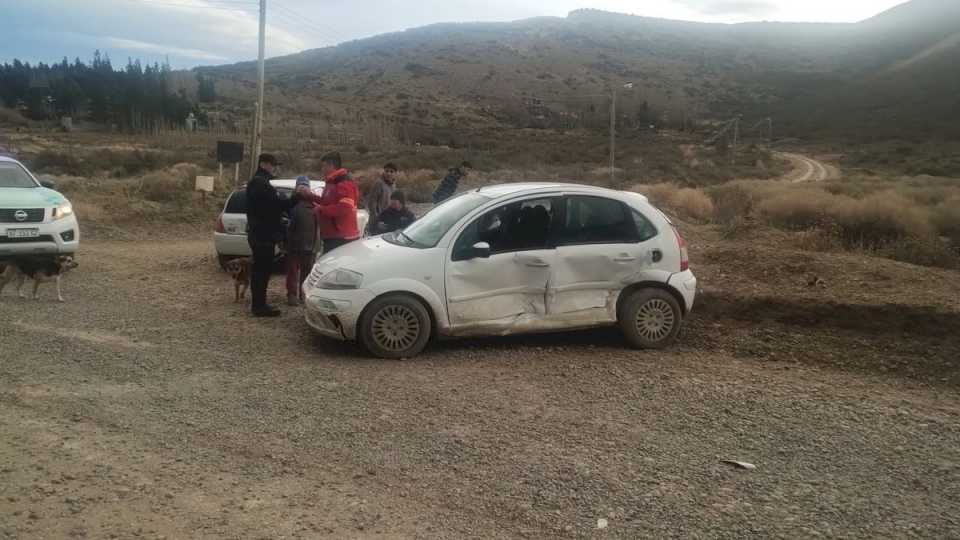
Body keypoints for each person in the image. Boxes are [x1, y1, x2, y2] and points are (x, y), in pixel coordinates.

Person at [245, 153, 298, 317]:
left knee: (260, 270)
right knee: (262, 271)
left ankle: (259, 304)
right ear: (263, 164)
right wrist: (294, 199)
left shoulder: (259, 182)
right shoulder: (260, 184)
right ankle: (259, 306)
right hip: (262, 235)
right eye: (272, 165)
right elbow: (274, 207)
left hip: (259, 234)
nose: (274, 168)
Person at [313, 152, 360, 254]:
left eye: (323, 166)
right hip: (333, 236)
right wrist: (309, 196)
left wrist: (322, 210)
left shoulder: (344, 183)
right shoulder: (331, 182)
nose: (322, 169)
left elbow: (345, 207)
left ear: (331, 166)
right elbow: (325, 202)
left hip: (342, 238)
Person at [285, 175, 317, 306]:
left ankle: (303, 295)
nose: (302, 190)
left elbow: (319, 228)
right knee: (293, 271)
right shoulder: (291, 204)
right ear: (296, 189)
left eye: (305, 187)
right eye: (300, 187)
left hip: (310, 245)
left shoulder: (315, 206)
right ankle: (292, 295)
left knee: (306, 271)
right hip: (295, 245)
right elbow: (288, 226)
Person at [363, 162, 398, 231]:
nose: (388, 173)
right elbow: (371, 202)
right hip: (377, 221)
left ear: (395, 173)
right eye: (387, 171)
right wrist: (377, 219)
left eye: (391, 171)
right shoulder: (379, 183)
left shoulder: (393, 185)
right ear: (384, 171)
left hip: (387, 219)